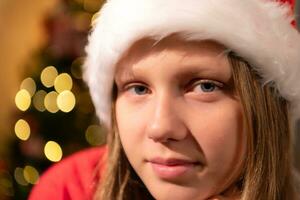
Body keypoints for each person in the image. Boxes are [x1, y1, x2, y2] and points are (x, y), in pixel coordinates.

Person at [29, 0, 300, 199]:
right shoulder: (68, 190)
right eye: (137, 89)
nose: (161, 128)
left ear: (266, 105)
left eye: (205, 87)